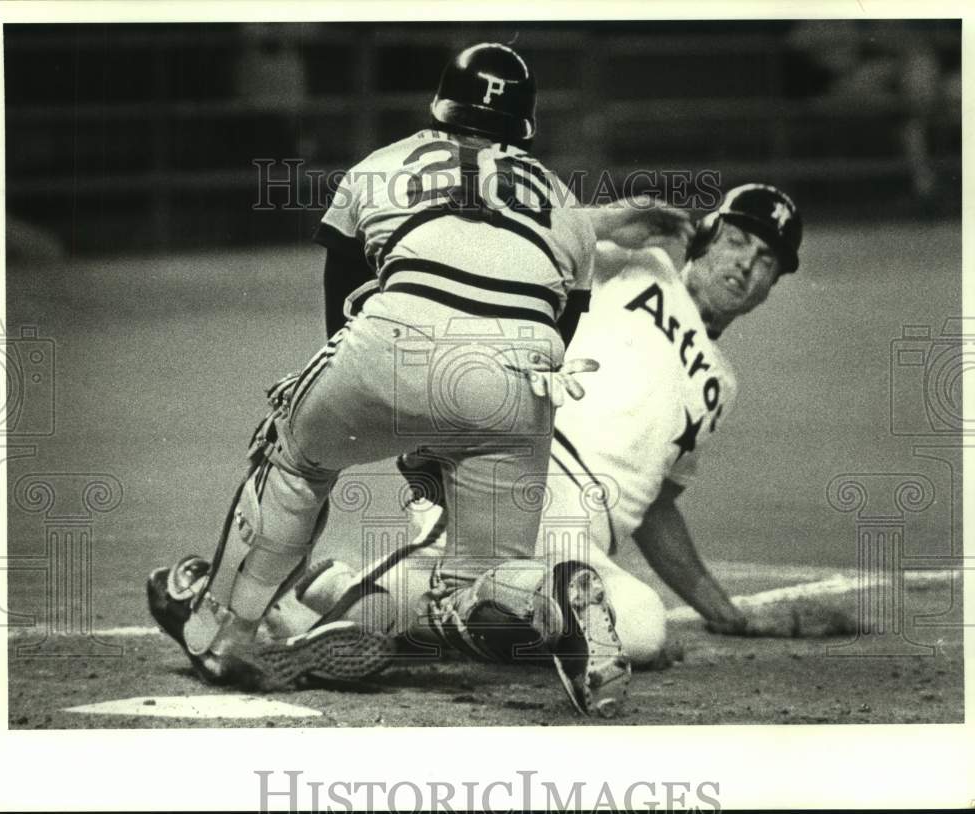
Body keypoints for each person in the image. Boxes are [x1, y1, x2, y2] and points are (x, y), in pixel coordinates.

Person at [146, 42, 642, 716]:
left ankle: (221, 630)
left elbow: (343, 317)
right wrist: (463, 435)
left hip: (398, 340)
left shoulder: (379, 166)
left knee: (294, 454)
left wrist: (402, 420)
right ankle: (555, 596)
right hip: (522, 374)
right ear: (524, 124)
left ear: (441, 105)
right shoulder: (567, 206)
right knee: (479, 580)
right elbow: (559, 336)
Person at [270, 183, 803, 667]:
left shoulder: (721, 387)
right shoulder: (637, 267)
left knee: (643, 628)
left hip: (578, 549)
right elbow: (524, 240)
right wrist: (606, 220)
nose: (747, 266)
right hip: (516, 476)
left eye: (766, 261)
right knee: (487, 583)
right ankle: (325, 628)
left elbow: (657, 506)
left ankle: (356, 592)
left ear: (772, 284)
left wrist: (725, 612)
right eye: (736, 241)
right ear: (707, 237)